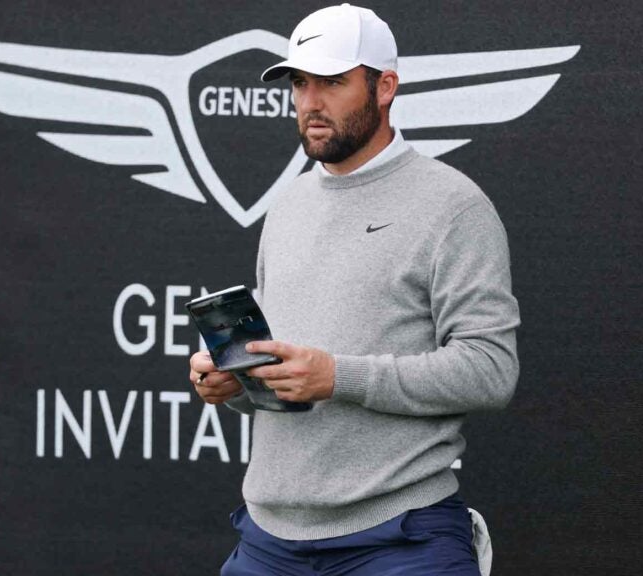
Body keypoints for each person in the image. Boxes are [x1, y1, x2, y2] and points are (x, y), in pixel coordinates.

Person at [189, 4, 519, 574]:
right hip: (268, 537)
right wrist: (234, 382)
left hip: (399, 540)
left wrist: (340, 376)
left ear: (384, 86)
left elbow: (491, 370)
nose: (310, 102)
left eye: (333, 82)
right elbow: (284, 381)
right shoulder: (287, 205)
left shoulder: (454, 205)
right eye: (299, 82)